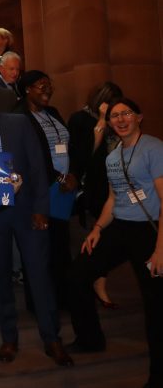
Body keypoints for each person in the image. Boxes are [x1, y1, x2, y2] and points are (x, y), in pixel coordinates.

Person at [0, 83, 73, 367]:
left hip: (27, 211)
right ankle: (9, 339)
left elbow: (38, 164)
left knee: (39, 274)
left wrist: (41, 209)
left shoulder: (18, 122)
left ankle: (51, 339)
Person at [68, 98, 163, 388]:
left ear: (139, 117)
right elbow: (113, 198)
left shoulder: (154, 148)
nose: (120, 120)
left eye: (126, 114)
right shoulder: (113, 155)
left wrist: (161, 249)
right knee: (77, 274)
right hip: (119, 227)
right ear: (109, 123)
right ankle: (90, 339)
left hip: (150, 231)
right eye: (115, 116)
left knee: (156, 305)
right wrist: (97, 228)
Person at [15, 70, 79, 309]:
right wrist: (59, 177)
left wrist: (72, 175)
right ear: (27, 89)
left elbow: (68, 146)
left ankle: (62, 298)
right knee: (39, 250)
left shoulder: (52, 112)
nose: (47, 90)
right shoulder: (18, 116)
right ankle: (40, 303)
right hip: (38, 191)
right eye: (41, 86)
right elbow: (29, 157)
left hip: (62, 190)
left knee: (60, 247)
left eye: (49, 86)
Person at [67, 81, 124, 308]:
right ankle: (94, 284)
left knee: (108, 239)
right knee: (95, 237)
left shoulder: (117, 121)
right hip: (92, 188)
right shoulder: (80, 119)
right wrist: (101, 120)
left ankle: (98, 282)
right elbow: (85, 155)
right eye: (110, 103)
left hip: (115, 186)